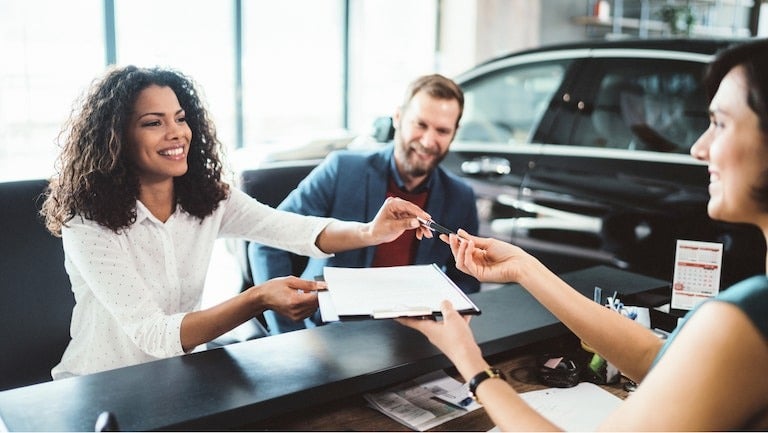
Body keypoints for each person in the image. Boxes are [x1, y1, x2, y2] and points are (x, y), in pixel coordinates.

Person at [398, 39, 768, 431]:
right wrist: (525, 269)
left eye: (721, 124)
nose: (698, 148)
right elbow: (658, 357)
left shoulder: (747, 317)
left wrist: (471, 364)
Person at [41, 65, 436, 379]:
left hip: (173, 378)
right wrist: (257, 298)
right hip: (98, 385)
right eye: (153, 122)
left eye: (179, 118)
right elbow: (154, 334)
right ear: (117, 137)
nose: (176, 132)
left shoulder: (207, 199)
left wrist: (371, 231)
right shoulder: (87, 220)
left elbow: (294, 230)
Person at [249, 74, 480, 334]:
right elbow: (266, 243)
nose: (428, 141)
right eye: (420, 124)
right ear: (398, 118)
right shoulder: (341, 170)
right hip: (327, 330)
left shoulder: (460, 196)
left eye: (442, 131)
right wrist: (288, 335)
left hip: (410, 336)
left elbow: (466, 278)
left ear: (454, 134)